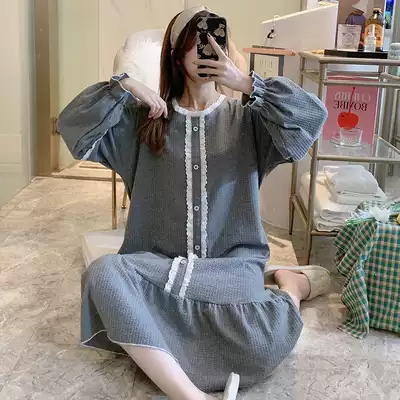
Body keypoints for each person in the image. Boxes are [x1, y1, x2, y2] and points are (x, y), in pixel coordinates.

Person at [58, 5, 330, 400]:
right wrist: (126, 86)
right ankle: (191, 396)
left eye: (217, 38)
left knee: (263, 346)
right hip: (159, 268)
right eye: (196, 40)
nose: (209, 47)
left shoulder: (249, 120)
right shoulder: (144, 121)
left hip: (230, 271)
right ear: (175, 54)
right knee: (104, 273)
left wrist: (247, 83)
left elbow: (313, 118)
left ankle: (292, 289)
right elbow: (71, 125)